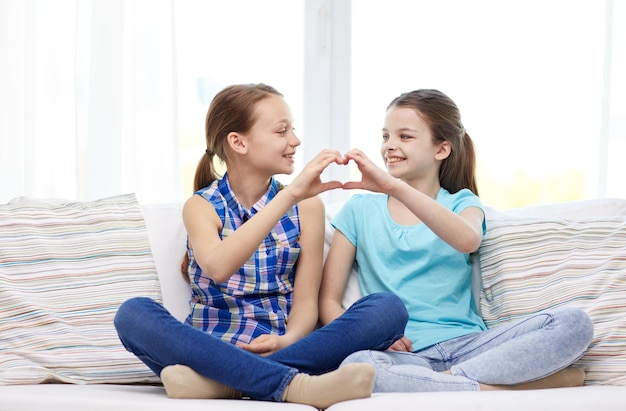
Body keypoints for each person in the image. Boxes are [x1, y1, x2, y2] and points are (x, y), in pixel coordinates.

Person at [114, 83, 408, 409]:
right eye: (282, 131)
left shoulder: (308, 208)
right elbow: (218, 266)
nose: (295, 140)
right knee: (133, 313)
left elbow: (306, 302)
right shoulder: (202, 206)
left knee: (388, 310)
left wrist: (287, 339)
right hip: (206, 350)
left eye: (292, 129)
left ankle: (224, 385)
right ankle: (295, 385)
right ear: (238, 142)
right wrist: (289, 195)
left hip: (280, 347)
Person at [319, 88, 594, 392]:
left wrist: (395, 188)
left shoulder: (463, 202)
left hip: (470, 345)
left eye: (404, 137)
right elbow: (329, 302)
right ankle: (491, 387)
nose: (389, 146)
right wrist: (369, 337)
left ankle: (443, 384)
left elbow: (468, 240)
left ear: (442, 149)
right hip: (404, 356)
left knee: (574, 323)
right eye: (385, 136)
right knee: (358, 366)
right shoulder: (358, 210)